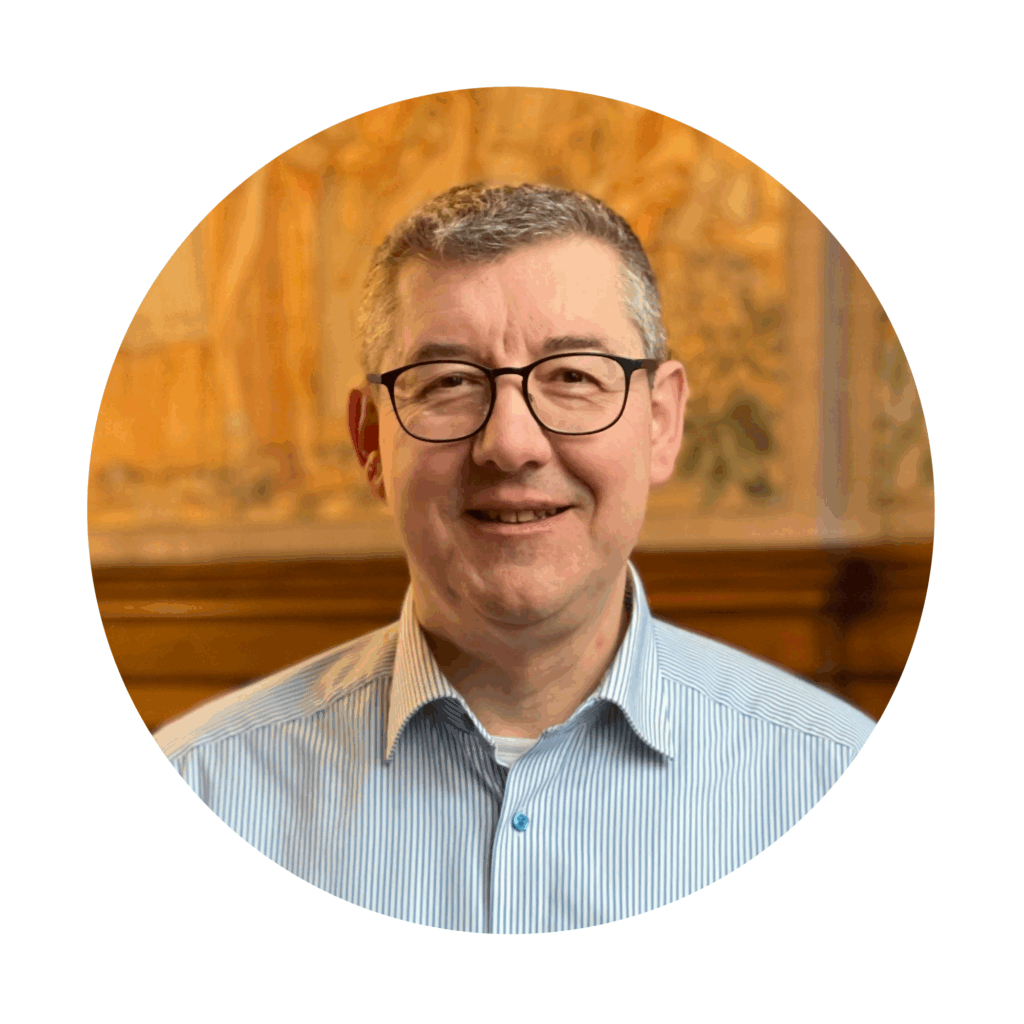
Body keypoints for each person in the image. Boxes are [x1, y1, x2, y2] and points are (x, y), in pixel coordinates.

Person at [156, 182, 874, 933]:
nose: (510, 444)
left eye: (572, 377)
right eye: (450, 384)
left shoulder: (832, 782)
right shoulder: (201, 791)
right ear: (370, 441)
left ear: (661, 422)